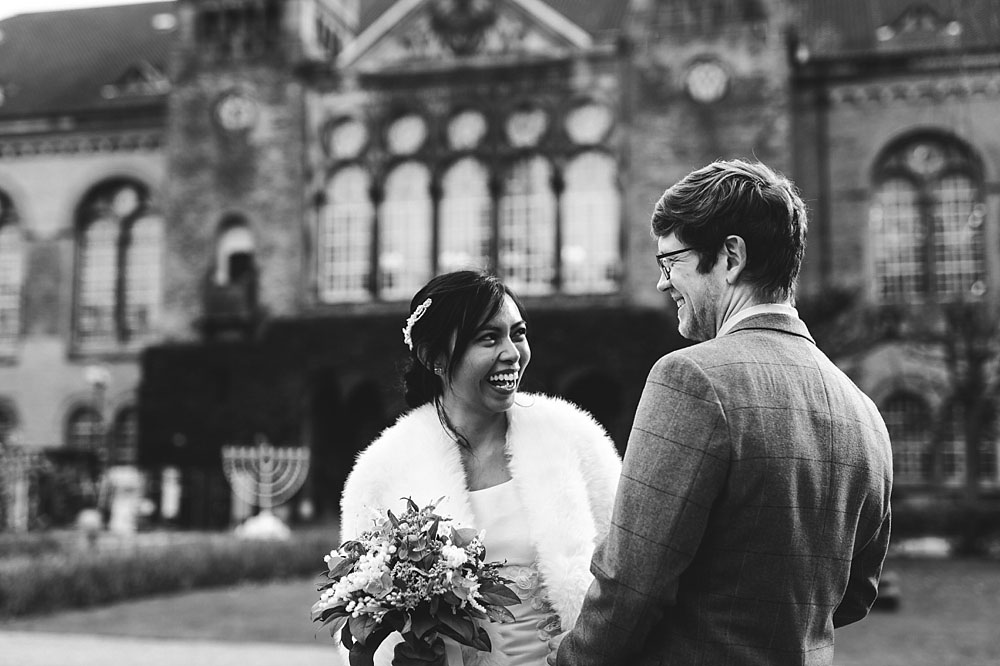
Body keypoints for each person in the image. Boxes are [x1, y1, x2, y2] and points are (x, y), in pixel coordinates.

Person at [551, 159, 893, 665]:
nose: (664, 283)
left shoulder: (691, 378)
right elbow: (856, 594)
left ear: (730, 257)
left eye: (672, 262)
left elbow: (630, 584)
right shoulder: (862, 409)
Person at [340, 270, 622, 666]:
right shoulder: (383, 470)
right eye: (488, 338)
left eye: (518, 333)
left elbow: (625, 576)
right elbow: (361, 625)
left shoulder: (573, 437)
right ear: (433, 357)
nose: (512, 353)